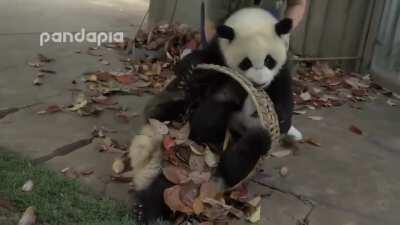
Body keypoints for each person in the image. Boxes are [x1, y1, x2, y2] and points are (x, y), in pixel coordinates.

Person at [205, 0, 307, 43]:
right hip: (230, 42)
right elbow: (213, 29)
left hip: (271, 39)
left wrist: (285, 31)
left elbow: (297, 3)